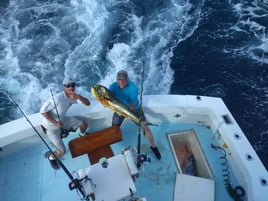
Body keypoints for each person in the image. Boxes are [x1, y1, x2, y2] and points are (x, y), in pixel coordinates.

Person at [109, 70, 161, 160]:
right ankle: (113, 147)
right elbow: (109, 98)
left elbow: (133, 103)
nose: (121, 82)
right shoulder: (112, 87)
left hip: (134, 110)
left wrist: (128, 111)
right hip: (120, 110)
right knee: (113, 129)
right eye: (119, 80)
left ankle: (153, 146)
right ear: (117, 80)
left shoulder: (133, 87)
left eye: (123, 80)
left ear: (127, 79)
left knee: (145, 127)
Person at [40, 77, 90, 167]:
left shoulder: (73, 96)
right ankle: (51, 157)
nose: (70, 87)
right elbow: (43, 111)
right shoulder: (57, 99)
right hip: (50, 128)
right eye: (68, 86)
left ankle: (82, 135)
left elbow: (88, 103)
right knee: (62, 151)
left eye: (72, 85)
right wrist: (55, 123)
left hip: (62, 121)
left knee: (84, 124)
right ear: (63, 87)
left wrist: (78, 96)